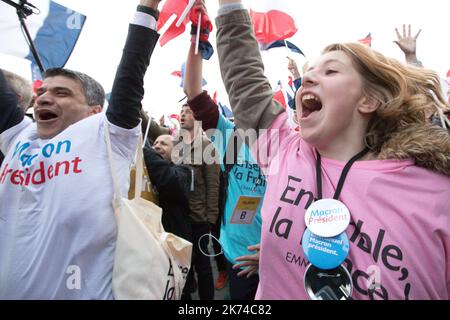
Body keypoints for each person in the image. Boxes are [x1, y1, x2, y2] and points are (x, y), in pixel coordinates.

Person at [211, 0, 450, 300]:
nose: (308, 77)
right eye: (309, 71)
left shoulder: (437, 193)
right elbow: (245, 80)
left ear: (368, 100)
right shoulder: (283, 153)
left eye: (331, 71)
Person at [0, 0, 164, 299]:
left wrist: (148, 6)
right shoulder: (18, 136)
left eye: (61, 93)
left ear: (94, 110)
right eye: (41, 93)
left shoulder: (107, 135)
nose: (43, 99)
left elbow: (131, 70)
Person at [183, 1, 265, 299]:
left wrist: (274, 252)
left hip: (279, 257)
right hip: (237, 256)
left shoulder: (288, 146)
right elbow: (193, 91)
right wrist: (198, 36)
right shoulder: (232, 141)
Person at [175, 102, 220, 300]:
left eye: (187, 112)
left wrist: (210, 218)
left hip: (199, 218)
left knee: (203, 267)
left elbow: (213, 184)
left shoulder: (207, 145)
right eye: (181, 112)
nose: (182, 115)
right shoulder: (174, 142)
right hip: (177, 218)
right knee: (182, 267)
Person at [143, 135, 192, 242]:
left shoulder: (184, 171)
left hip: (172, 240)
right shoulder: (144, 170)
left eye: (163, 144)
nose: (157, 146)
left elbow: (170, 181)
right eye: (155, 143)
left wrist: (148, 153)